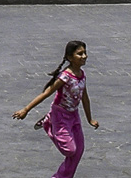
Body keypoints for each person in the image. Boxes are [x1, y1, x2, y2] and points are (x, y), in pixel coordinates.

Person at [13, 40, 99, 178]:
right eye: (80, 54)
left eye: (85, 53)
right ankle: (48, 123)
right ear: (70, 57)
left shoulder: (82, 74)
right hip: (60, 116)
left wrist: (90, 119)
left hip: (74, 116)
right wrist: (26, 110)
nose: (84, 56)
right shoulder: (65, 77)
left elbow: (85, 98)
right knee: (70, 150)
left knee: (78, 152)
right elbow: (46, 93)